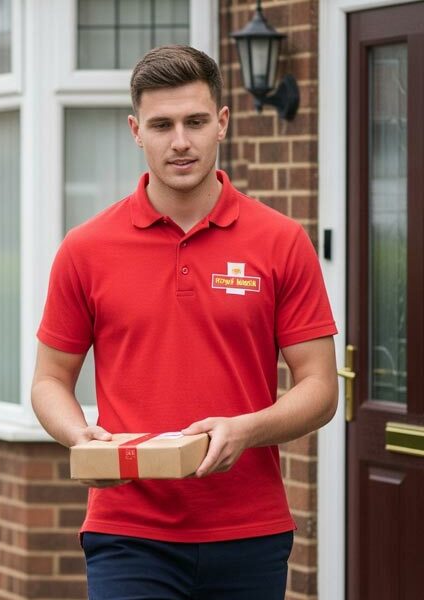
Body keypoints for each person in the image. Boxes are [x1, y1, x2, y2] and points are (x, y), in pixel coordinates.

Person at [31, 45, 338, 600]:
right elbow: (50, 380)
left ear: (221, 123)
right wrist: (82, 438)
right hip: (128, 529)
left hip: (250, 528)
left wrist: (245, 430)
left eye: (195, 121)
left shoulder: (281, 242)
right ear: (135, 130)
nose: (180, 141)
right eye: (162, 124)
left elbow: (320, 387)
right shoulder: (85, 249)